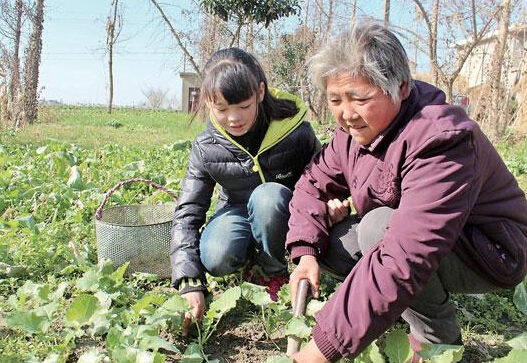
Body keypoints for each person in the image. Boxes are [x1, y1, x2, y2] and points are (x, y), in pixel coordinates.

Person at [286, 22, 527, 363]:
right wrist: (305, 253)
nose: (346, 114)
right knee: (333, 240)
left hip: (490, 251)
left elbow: (406, 254)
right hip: (416, 237)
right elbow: (312, 184)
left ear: (400, 88)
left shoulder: (441, 139)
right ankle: (394, 306)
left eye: (360, 99)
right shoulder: (351, 133)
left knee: (378, 230)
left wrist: (318, 350)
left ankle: (437, 343)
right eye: (335, 100)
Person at [171, 47, 321, 325]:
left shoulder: (295, 130)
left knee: (268, 197)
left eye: (243, 106)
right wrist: (189, 282)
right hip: (236, 209)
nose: (234, 118)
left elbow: (321, 184)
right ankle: (249, 256)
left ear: (260, 93)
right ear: (208, 102)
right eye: (222, 109)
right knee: (216, 257)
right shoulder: (207, 147)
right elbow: (188, 212)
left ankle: (272, 269)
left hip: (286, 210)